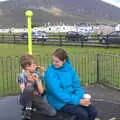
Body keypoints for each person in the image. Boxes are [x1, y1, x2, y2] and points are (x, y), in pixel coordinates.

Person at [44, 48, 97, 120]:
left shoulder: (70, 69)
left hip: (72, 97)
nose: (54, 63)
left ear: (64, 61)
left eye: (57, 61)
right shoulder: (50, 72)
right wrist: (78, 101)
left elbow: (77, 86)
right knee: (83, 115)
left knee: (93, 112)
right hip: (58, 101)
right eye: (53, 61)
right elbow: (59, 93)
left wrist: (80, 98)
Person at [17, 54, 56, 120]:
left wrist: (37, 80)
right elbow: (24, 92)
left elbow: (41, 92)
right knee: (29, 88)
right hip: (25, 99)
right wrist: (30, 82)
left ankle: (33, 109)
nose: (36, 66)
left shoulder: (37, 74)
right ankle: (28, 109)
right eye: (34, 65)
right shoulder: (21, 76)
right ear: (27, 67)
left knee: (52, 113)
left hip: (36, 98)